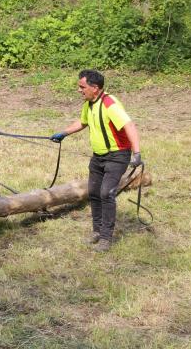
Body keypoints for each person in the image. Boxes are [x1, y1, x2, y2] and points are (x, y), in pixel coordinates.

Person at [50, 70, 142, 252]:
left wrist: (137, 153)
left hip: (117, 156)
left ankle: (106, 238)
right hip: (98, 157)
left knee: (106, 193)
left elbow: (129, 125)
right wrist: (63, 133)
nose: (79, 90)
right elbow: (82, 122)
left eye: (82, 87)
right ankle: (97, 231)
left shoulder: (110, 104)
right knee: (94, 192)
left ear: (95, 88)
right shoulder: (89, 104)